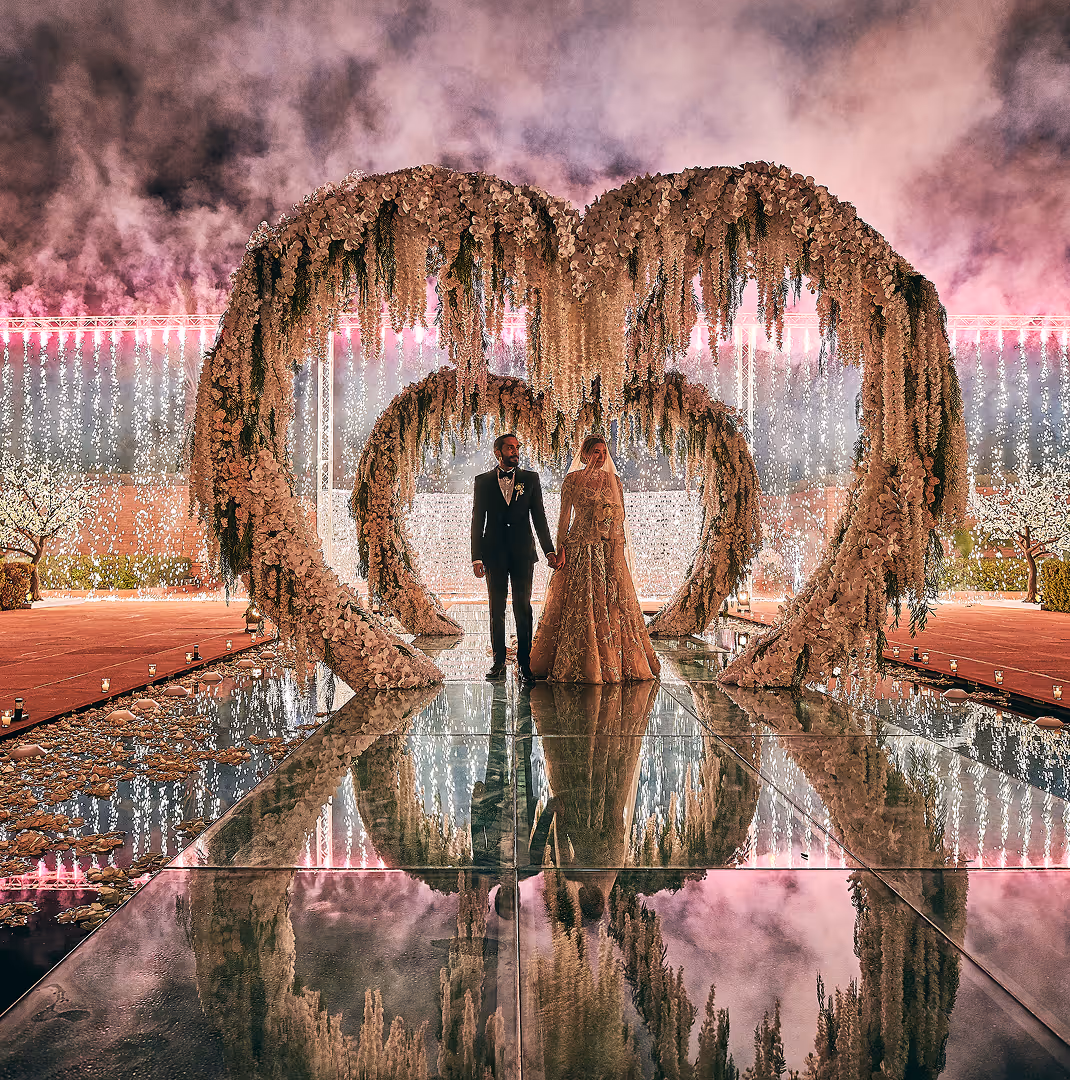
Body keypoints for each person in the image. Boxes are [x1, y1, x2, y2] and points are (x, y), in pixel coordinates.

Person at [529, 434, 660, 683]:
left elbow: (620, 517)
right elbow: (564, 518)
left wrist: (615, 541)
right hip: (579, 546)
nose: (600, 457)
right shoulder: (572, 480)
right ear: (585, 453)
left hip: (607, 548)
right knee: (579, 603)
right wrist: (560, 548)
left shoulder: (615, 481)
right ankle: (577, 660)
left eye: (603, 452)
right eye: (595, 452)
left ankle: (612, 659)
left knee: (610, 602)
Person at [471, 432, 558, 685]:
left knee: (523, 608)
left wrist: (548, 550)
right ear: (498, 452)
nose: (515, 451)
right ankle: (498, 662)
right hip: (494, 554)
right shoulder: (483, 481)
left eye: (517, 447)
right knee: (496, 609)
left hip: (523, 554)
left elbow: (539, 517)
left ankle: (524, 663)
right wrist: (476, 557)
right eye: (510, 448)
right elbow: (478, 520)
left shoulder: (531, 479)